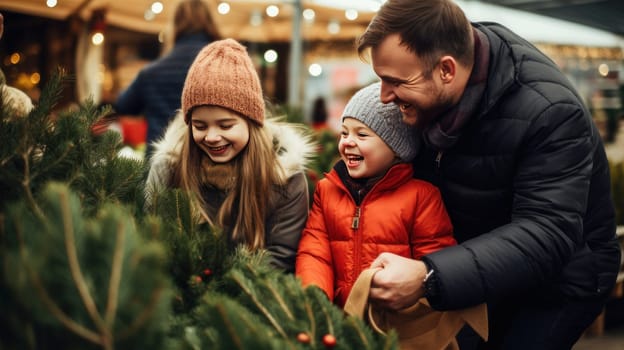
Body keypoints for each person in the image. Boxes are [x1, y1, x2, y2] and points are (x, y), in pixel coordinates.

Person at [356, 0, 621, 349]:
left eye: (395, 81)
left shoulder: (550, 110)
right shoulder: (431, 87)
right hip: (476, 260)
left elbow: (547, 232)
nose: (384, 96)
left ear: (446, 71)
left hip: (560, 279)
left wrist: (429, 276)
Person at [145, 38, 316, 273]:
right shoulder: (169, 169)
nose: (212, 137)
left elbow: (280, 257)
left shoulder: (284, 178)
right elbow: (152, 242)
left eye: (225, 126)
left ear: (251, 122)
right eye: (200, 126)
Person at [296, 82, 456, 307]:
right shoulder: (327, 190)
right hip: (340, 319)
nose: (348, 141)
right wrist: (315, 297)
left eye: (362, 134)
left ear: (396, 148)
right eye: (344, 132)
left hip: (395, 326)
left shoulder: (421, 197)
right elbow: (315, 252)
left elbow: (434, 259)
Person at [113, 0, 220, 156]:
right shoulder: (223, 69)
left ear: (175, 26)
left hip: (159, 163)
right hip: (207, 162)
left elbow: (122, 105)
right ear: (210, 23)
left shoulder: (150, 72)